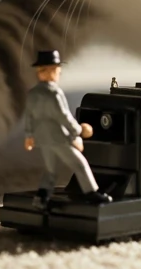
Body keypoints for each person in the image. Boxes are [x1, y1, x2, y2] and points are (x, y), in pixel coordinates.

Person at [24, 49, 112, 207]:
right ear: (48, 71)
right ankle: (91, 193)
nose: (59, 73)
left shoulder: (32, 94)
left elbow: (29, 117)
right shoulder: (54, 94)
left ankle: (41, 198)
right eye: (57, 70)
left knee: (50, 170)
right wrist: (77, 133)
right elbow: (63, 117)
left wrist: (29, 136)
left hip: (42, 138)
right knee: (80, 164)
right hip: (58, 138)